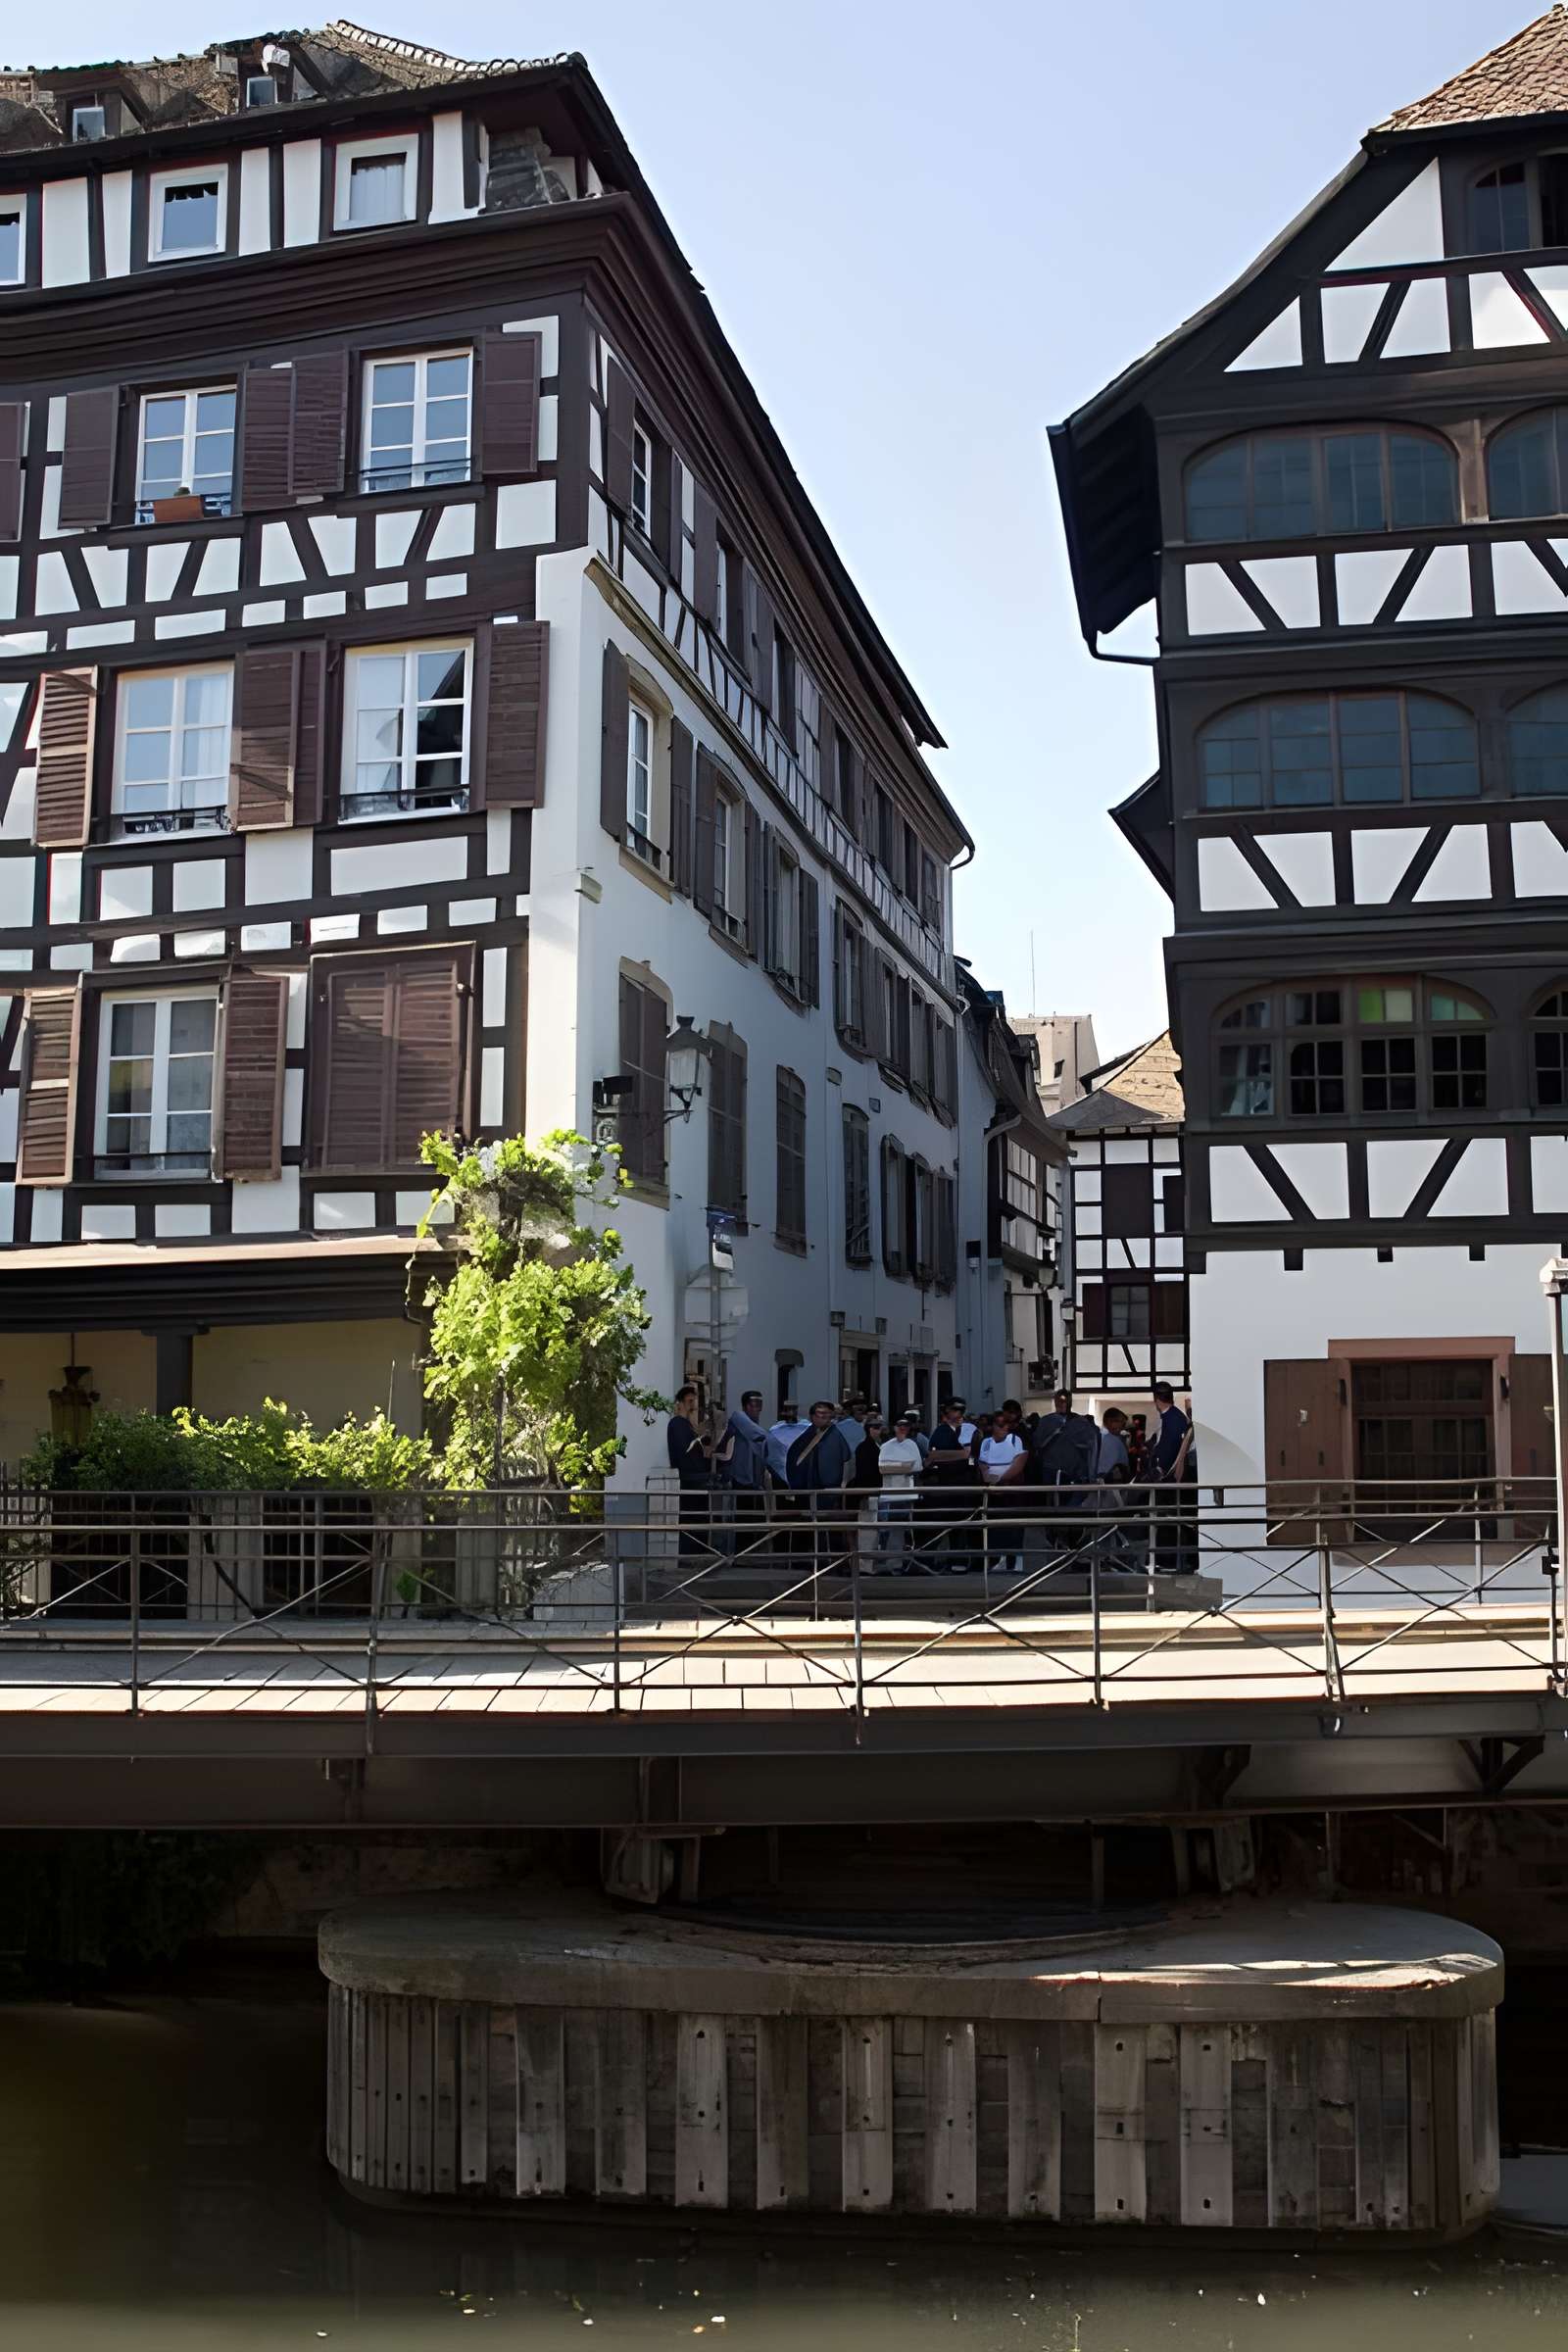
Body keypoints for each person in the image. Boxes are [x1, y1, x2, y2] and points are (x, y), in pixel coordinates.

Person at [787, 1400, 855, 1571]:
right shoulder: (805, 1436)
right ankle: (802, 1560)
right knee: (805, 1527)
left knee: (829, 1528)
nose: (824, 1417)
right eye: (820, 1414)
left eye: (827, 1414)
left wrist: (840, 1486)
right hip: (806, 1489)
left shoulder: (835, 1436)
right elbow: (794, 1458)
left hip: (828, 1491)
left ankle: (831, 1562)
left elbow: (845, 1461)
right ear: (812, 1416)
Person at [1149, 1383, 1197, 1575]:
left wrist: (1157, 1470)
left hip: (1171, 1479)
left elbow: (1168, 1450)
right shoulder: (1177, 1417)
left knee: (1167, 1520)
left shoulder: (1171, 1419)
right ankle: (1173, 1559)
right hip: (1178, 1477)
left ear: (1156, 1399)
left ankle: (1167, 1560)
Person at [926, 1397, 979, 1570]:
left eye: (960, 1411)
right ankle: (933, 1560)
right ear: (947, 1413)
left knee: (961, 1526)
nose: (958, 1414)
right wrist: (961, 1455)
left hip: (964, 1485)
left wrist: (964, 1456)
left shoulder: (969, 1431)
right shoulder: (942, 1431)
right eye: (955, 1411)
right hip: (946, 1484)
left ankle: (958, 1560)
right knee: (941, 1525)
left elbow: (974, 1455)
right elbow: (934, 1456)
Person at [718, 1390, 769, 1560]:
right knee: (742, 1519)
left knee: (755, 1519)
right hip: (741, 1479)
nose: (757, 1409)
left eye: (760, 1405)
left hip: (755, 1481)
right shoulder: (739, 1419)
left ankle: (751, 1553)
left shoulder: (756, 1427)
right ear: (746, 1406)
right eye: (754, 1404)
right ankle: (740, 1555)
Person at [978, 1403, 1028, 1574]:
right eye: (1000, 1425)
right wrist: (990, 1480)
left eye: (1006, 1424)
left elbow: (1019, 1463)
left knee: (1014, 1526)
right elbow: (982, 1464)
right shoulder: (986, 1443)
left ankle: (1016, 1560)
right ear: (993, 1426)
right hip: (993, 1490)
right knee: (996, 1527)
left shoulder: (1015, 1440)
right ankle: (999, 1558)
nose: (1004, 1428)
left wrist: (1002, 1479)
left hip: (1011, 1490)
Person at [875, 1411, 925, 1569]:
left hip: (906, 1491)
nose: (903, 1429)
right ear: (894, 1428)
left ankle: (899, 1561)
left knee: (902, 1527)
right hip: (889, 1492)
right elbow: (881, 1465)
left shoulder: (912, 1444)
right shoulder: (886, 1446)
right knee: (885, 1527)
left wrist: (903, 1467)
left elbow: (917, 1466)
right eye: (900, 1426)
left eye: (906, 1426)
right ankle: (886, 1559)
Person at [665, 1383, 710, 1557]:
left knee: (696, 1517)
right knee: (692, 1517)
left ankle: (695, 1551)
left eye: (694, 1401)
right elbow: (685, 1452)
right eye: (689, 1401)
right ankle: (691, 1553)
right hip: (690, 1478)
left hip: (694, 1478)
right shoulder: (677, 1424)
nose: (693, 1405)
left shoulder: (685, 1425)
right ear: (681, 1403)